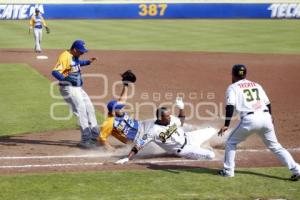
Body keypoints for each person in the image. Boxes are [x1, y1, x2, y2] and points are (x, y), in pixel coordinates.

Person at [217, 64, 300, 181]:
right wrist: (270, 117)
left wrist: (226, 124)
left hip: (250, 120)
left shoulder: (233, 87)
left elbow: (230, 106)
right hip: (265, 117)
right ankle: (297, 169)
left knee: (230, 142)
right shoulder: (256, 85)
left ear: (233, 74)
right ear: (245, 74)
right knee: (276, 146)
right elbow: (267, 103)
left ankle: (228, 171)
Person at [115, 99, 216, 164]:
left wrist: (181, 108)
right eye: (167, 116)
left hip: (190, 137)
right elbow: (139, 145)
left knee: (212, 130)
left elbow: (181, 121)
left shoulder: (171, 118)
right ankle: (198, 157)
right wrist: (127, 158)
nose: (169, 117)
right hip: (185, 149)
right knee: (211, 155)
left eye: (169, 115)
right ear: (160, 117)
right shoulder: (153, 131)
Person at [51, 39, 99, 149]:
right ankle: (85, 140)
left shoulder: (75, 56)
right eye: (81, 51)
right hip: (69, 88)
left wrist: (87, 62)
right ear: (74, 49)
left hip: (78, 88)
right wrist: (65, 80)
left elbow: (76, 64)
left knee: (90, 108)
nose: (82, 53)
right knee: (81, 110)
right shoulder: (65, 56)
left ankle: (94, 137)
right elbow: (55, 71)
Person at [97, 71, 142, 150]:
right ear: (113, 111)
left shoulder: (118, 112)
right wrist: (109, 148)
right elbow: (101, 138)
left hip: (142, 128)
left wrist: (125, 85)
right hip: (135, 140)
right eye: (119, 108)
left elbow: (123, 99)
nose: (121, 109)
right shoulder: (109, 123)